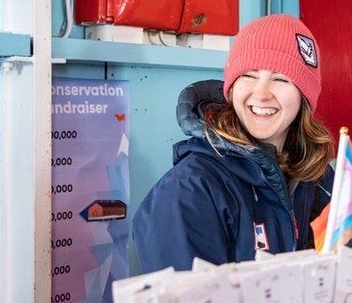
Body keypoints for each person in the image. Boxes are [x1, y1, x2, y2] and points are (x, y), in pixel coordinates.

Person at [134, 14, 335, 271]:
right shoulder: (189, 191)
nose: (261, 93)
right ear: (232, 87)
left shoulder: (317, 177)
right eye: (249, 75)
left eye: (281, 78)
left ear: (304, 98)